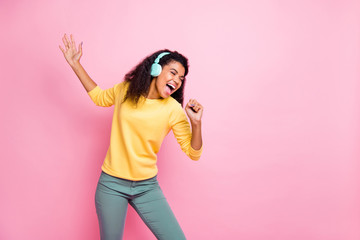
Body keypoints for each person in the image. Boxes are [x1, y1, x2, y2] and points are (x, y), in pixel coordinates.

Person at [59, 34, 203, 240]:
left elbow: (193, 152)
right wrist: (75, 64)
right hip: (111, 185)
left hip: (147, 187)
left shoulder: (173, 109)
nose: (177, 81)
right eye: (173, 72)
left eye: (181, 78)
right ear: (155, 69)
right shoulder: (126, 90)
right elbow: (99, 97)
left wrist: (196, 124)